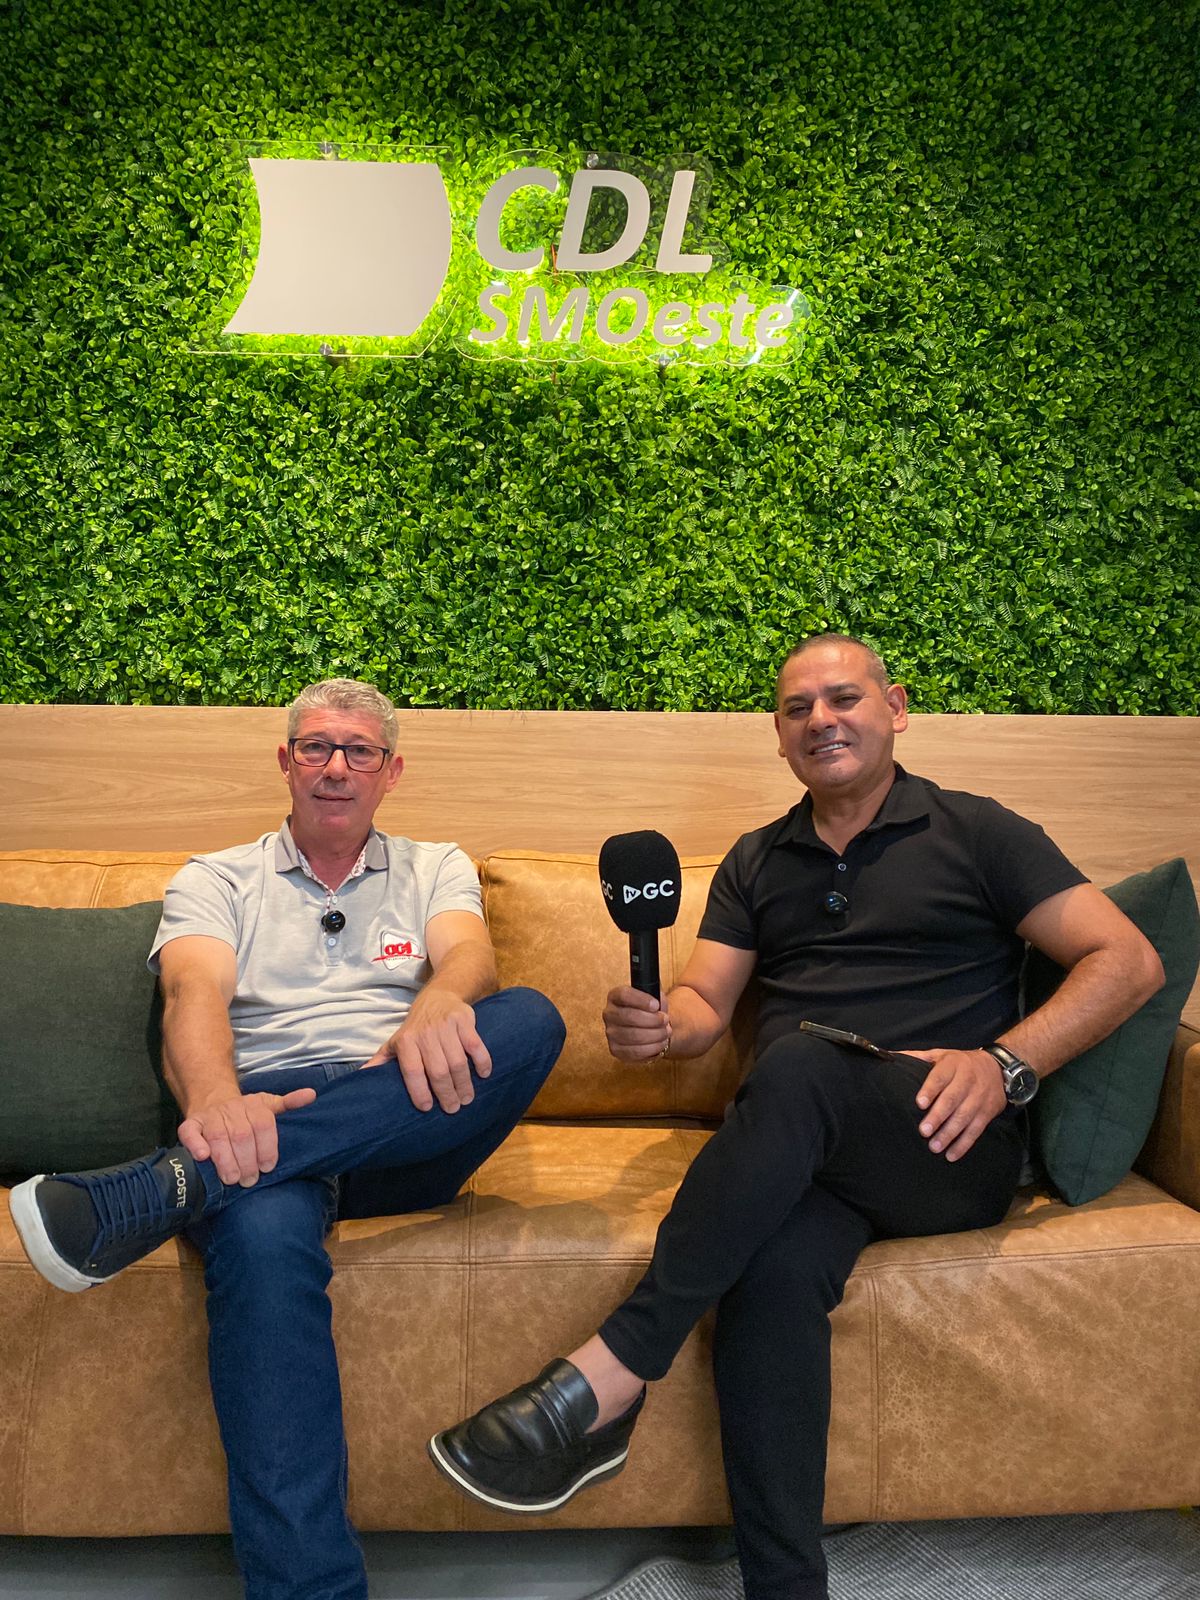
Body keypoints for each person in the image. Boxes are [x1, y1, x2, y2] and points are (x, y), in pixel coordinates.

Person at [427, 635, 1164, 1600]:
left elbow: (1128, 961)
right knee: (769, 1271)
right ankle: (786, 1586)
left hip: (944, 1141)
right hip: (802, 1151)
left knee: (802, 1062)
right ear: (778, 739)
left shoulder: (981, 831)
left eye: (844, 698)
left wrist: (1006, 1066)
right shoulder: (756, 860)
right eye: (796, 709)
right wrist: (664, 1028)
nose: (821, 719)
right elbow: (705, 1002)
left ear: (896, 708)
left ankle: (616, 1370)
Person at [11, 677, 566, 1600]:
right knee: (264, 1245)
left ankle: (174, 1185)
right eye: (316, 747)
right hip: (260, 1120)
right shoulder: (217, 877)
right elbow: (192, 993)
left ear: (391, 772)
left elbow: (470, 953)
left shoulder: (434, 865)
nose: (336, 767)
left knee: (531, 1019)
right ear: (286, 762)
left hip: (403, 1118)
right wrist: (219, 1105)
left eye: (358, 751)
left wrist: (440, 998)